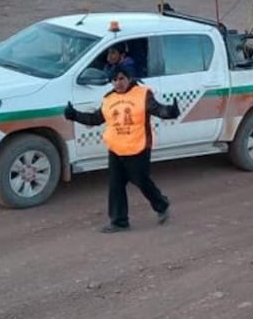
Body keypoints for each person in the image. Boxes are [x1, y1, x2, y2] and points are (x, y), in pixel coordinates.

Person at [64, 65, 179, 232]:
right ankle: (119, 222)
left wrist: (171, 111)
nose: (118, 83)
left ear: (129, 78)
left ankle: (161, 205)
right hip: (116, 148)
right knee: (115, 185)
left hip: (138, 147)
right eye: (114, 80)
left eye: (121, 79)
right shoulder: (108, 98)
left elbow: (157, 109)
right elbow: (96, 119)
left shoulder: (142, 94)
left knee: (141, 181)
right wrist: (74, 115)